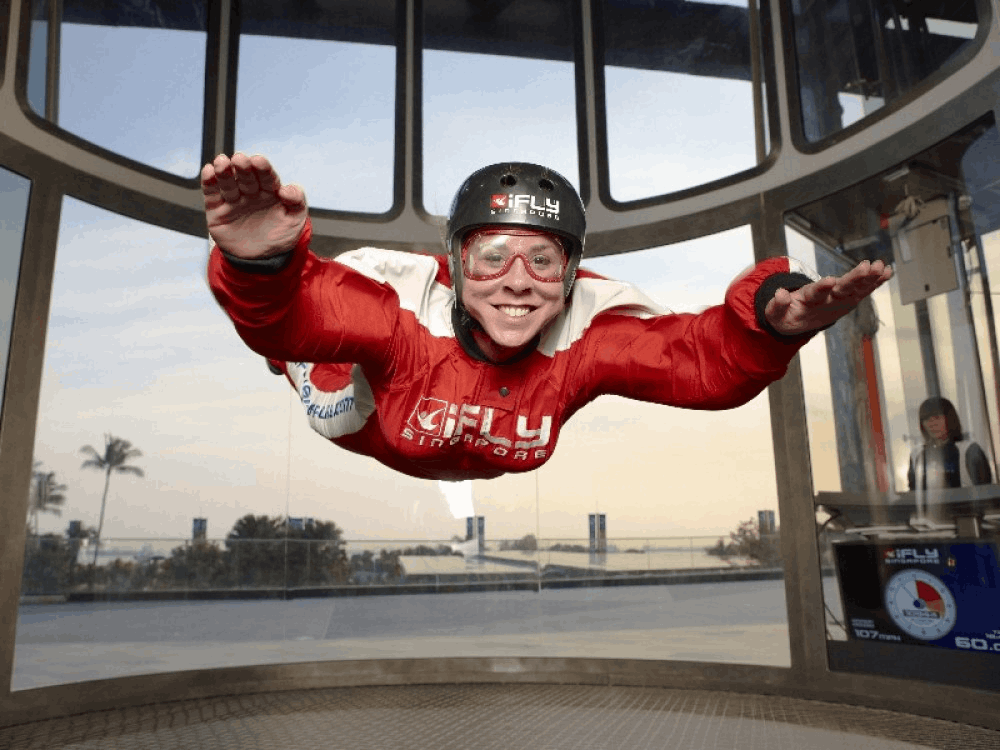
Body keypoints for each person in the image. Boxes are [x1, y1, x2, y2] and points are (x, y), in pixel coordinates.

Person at [204, 153, 893, 481]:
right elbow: (298, 316)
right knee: (307, 369)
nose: (516, 285)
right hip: (351, 404)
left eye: (543, 262)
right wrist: (261, 265)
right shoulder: (403, 302)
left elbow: (701, 360)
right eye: (492, 256)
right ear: (452, 262)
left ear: (572, 273)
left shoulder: (588, 323)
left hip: (459, 443)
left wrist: (777, 320)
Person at [907, 396, 993, 491]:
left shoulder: (969, 450)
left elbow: (985, 492)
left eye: (937, 417)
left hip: (966, 505)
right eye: (927, 419)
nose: (932, 424)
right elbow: (913, 495)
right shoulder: (916, 455)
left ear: (950, 419)